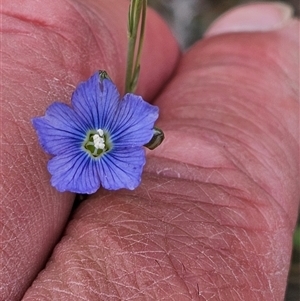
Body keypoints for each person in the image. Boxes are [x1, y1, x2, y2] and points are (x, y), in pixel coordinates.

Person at [1, 1, 298, 300]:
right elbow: (65, 146)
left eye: (96, 141)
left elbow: (128, 167)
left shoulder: (120, 156)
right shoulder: (78, 147)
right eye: (94, 142)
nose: (97, 142)